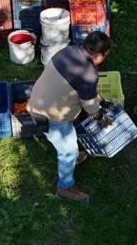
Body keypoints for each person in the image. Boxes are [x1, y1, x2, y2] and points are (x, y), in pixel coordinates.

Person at [28, 32, 114, 202]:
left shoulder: (68, 52)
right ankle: (65, 188)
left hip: (35, 104)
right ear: (98, 55)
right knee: (68, 151)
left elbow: (83, 90)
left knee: (69, 139)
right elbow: (90, 107)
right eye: (105, 55)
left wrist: (101, 101)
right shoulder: (88, 74)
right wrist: (99, 116)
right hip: (51, 117)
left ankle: (74, 157)